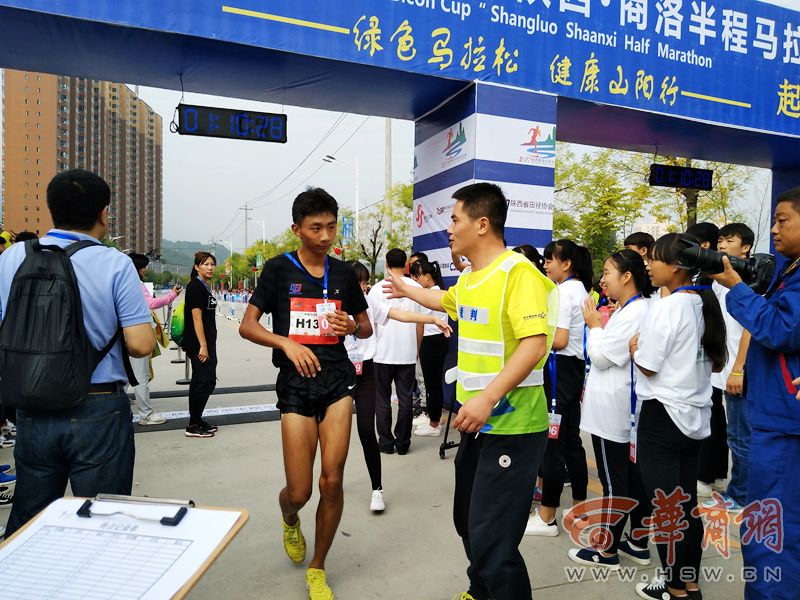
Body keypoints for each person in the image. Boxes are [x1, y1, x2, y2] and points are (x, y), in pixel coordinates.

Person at [384, 182, 556, 600]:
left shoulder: (519, 274)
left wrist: (487, 397)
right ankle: (480, 590)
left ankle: (490, 586)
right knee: (467, 521)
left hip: (512, 426)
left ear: (482, 224)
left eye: (456, 218)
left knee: (494, 542)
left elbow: (535, 344)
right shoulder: (473, 279)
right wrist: (406, 288)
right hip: (476, 424)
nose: (449, 227)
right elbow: (443, 298)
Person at [0, 169, 154, 538]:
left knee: (31, 521)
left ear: (51, 209)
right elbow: (141, 344)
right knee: (103, 518)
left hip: (31, 407)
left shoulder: (13, 257)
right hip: (97, 409)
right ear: (104, 214)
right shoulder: (115, 263)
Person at [239, 188, 372, 600]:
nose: (326, 236)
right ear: (297, 229)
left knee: (332, 482)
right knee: (300, 491)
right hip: (295, 384)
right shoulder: (279, 269)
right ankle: (289, 517)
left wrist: (351, 327)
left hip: (336, 381)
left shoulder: (345, 273)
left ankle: (318, 567)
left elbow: (366, 327)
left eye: (331, 226)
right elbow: (247, 325)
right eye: (316, 228)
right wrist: (287, 344)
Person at [709, 189, 800, 600]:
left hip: (784, 426)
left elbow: (780, 329)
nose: (774, 228)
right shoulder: (789, 271)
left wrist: (736, 289)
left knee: (773, 536)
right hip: (774, 418)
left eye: (783, 220)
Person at [628, 232, 727, 600]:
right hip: (694, 415)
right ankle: (690, 583)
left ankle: (674, 588)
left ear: (678, 266)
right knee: (686, 504)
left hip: (662, 415)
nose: (648, 265)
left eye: (655, 258)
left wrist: (634, 348)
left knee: (667, 508)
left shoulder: (667, 307)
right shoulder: (703, 302)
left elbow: (649, 366)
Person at [566, 249, 652, 570]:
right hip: (623, 409)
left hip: (613, 412)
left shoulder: (633, 313)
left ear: (627, 276)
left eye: (608, 272)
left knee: (613, 480)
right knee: (632, 477)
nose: (602, 280)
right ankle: (638, 542)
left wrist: (593, 324)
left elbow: (601, 357)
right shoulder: (632, 310)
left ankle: (607, 550)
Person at [526, 239, 592, 537]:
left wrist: (529, 336)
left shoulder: (563, 293)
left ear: (566, 264)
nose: (545, 264)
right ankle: (579, 509)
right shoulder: (578, 289)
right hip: (571, 371)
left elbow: (560, 340)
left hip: (558, 369)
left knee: (552, 442)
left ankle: (548, 516)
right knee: (569, 440)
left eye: (550, 260)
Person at [697, 223, 755, 508]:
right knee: (732, 435)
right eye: (720, 240)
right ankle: (733, 487)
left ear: (745, 247)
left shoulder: (751, 281)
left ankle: (740, 496)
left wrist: (738, 368)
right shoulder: (721, 281)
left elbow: (750, 329)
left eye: (729, 241)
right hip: (723, 371)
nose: (721, 246)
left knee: (741, 437)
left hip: (738, 372)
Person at [368, 248, 423, 455]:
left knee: (382, 399)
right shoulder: (416, 287)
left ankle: (385, 443)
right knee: (406, 398)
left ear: (386, 265)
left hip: (382, 352)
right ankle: (403, 444)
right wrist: (416, 348)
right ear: (407, 264)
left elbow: (371, 323)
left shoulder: (377, 289)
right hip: (407, 352)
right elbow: (420, 324)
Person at [128, 252, 181, 425]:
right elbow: (150, 304)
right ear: (138, 267)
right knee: (141, 375)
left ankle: (121, 401)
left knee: (123, 371)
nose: (146, 269)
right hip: (138, 332)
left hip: (122, 332)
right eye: (144, 266)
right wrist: (172, 295)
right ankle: (146, 414)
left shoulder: (121, 281)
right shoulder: (134, 282)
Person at [409, 260, 449, 437]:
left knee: (432, 384)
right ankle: (434, 418)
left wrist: (417, 348)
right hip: (438, 340)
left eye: (419, 276)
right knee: (434, 384)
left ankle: (434, 424)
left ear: (427, 276)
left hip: (431, 341)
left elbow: (420, 323)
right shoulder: (439, 291)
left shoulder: (430, 295)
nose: (417, 280)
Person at [181, 251, 219, 438]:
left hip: (207, 342)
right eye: (206, 264)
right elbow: (197, 319)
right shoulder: (195, 286)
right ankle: (193, 424)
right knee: (204, 381)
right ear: (197, 267)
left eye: (212, 264)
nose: (210, 267)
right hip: (199, 344)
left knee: (203, 381)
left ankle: (196, 419)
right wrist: (203, 346)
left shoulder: (203, 286)